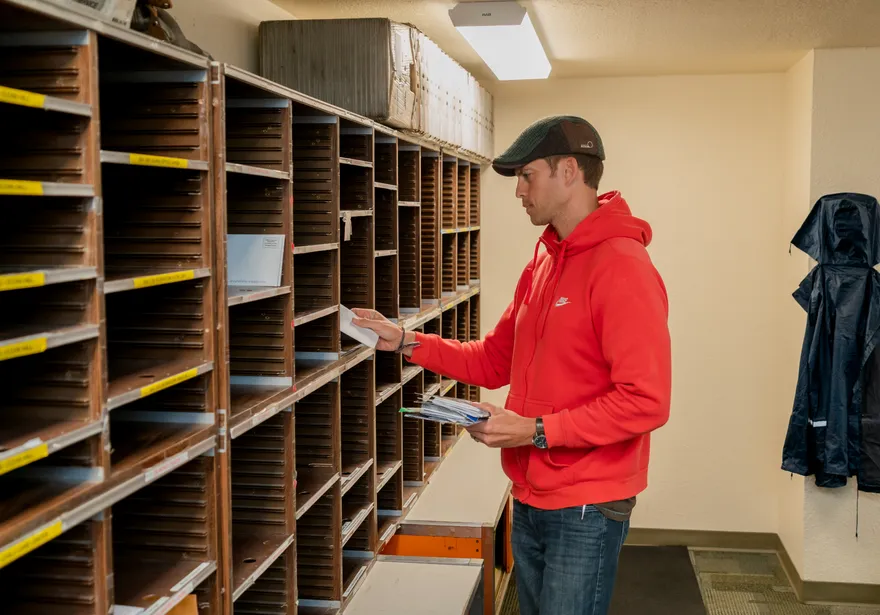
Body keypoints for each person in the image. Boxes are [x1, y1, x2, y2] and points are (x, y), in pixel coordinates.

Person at [352, 115, 672, 615]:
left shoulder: (621, 265)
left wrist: (535, 430)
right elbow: (495, 359)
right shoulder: (543, 262)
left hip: (586, 505)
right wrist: (405, 342)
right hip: (531, 492)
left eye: (527, 176)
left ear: (569, 171)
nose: (519, 191)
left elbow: (646, 401)